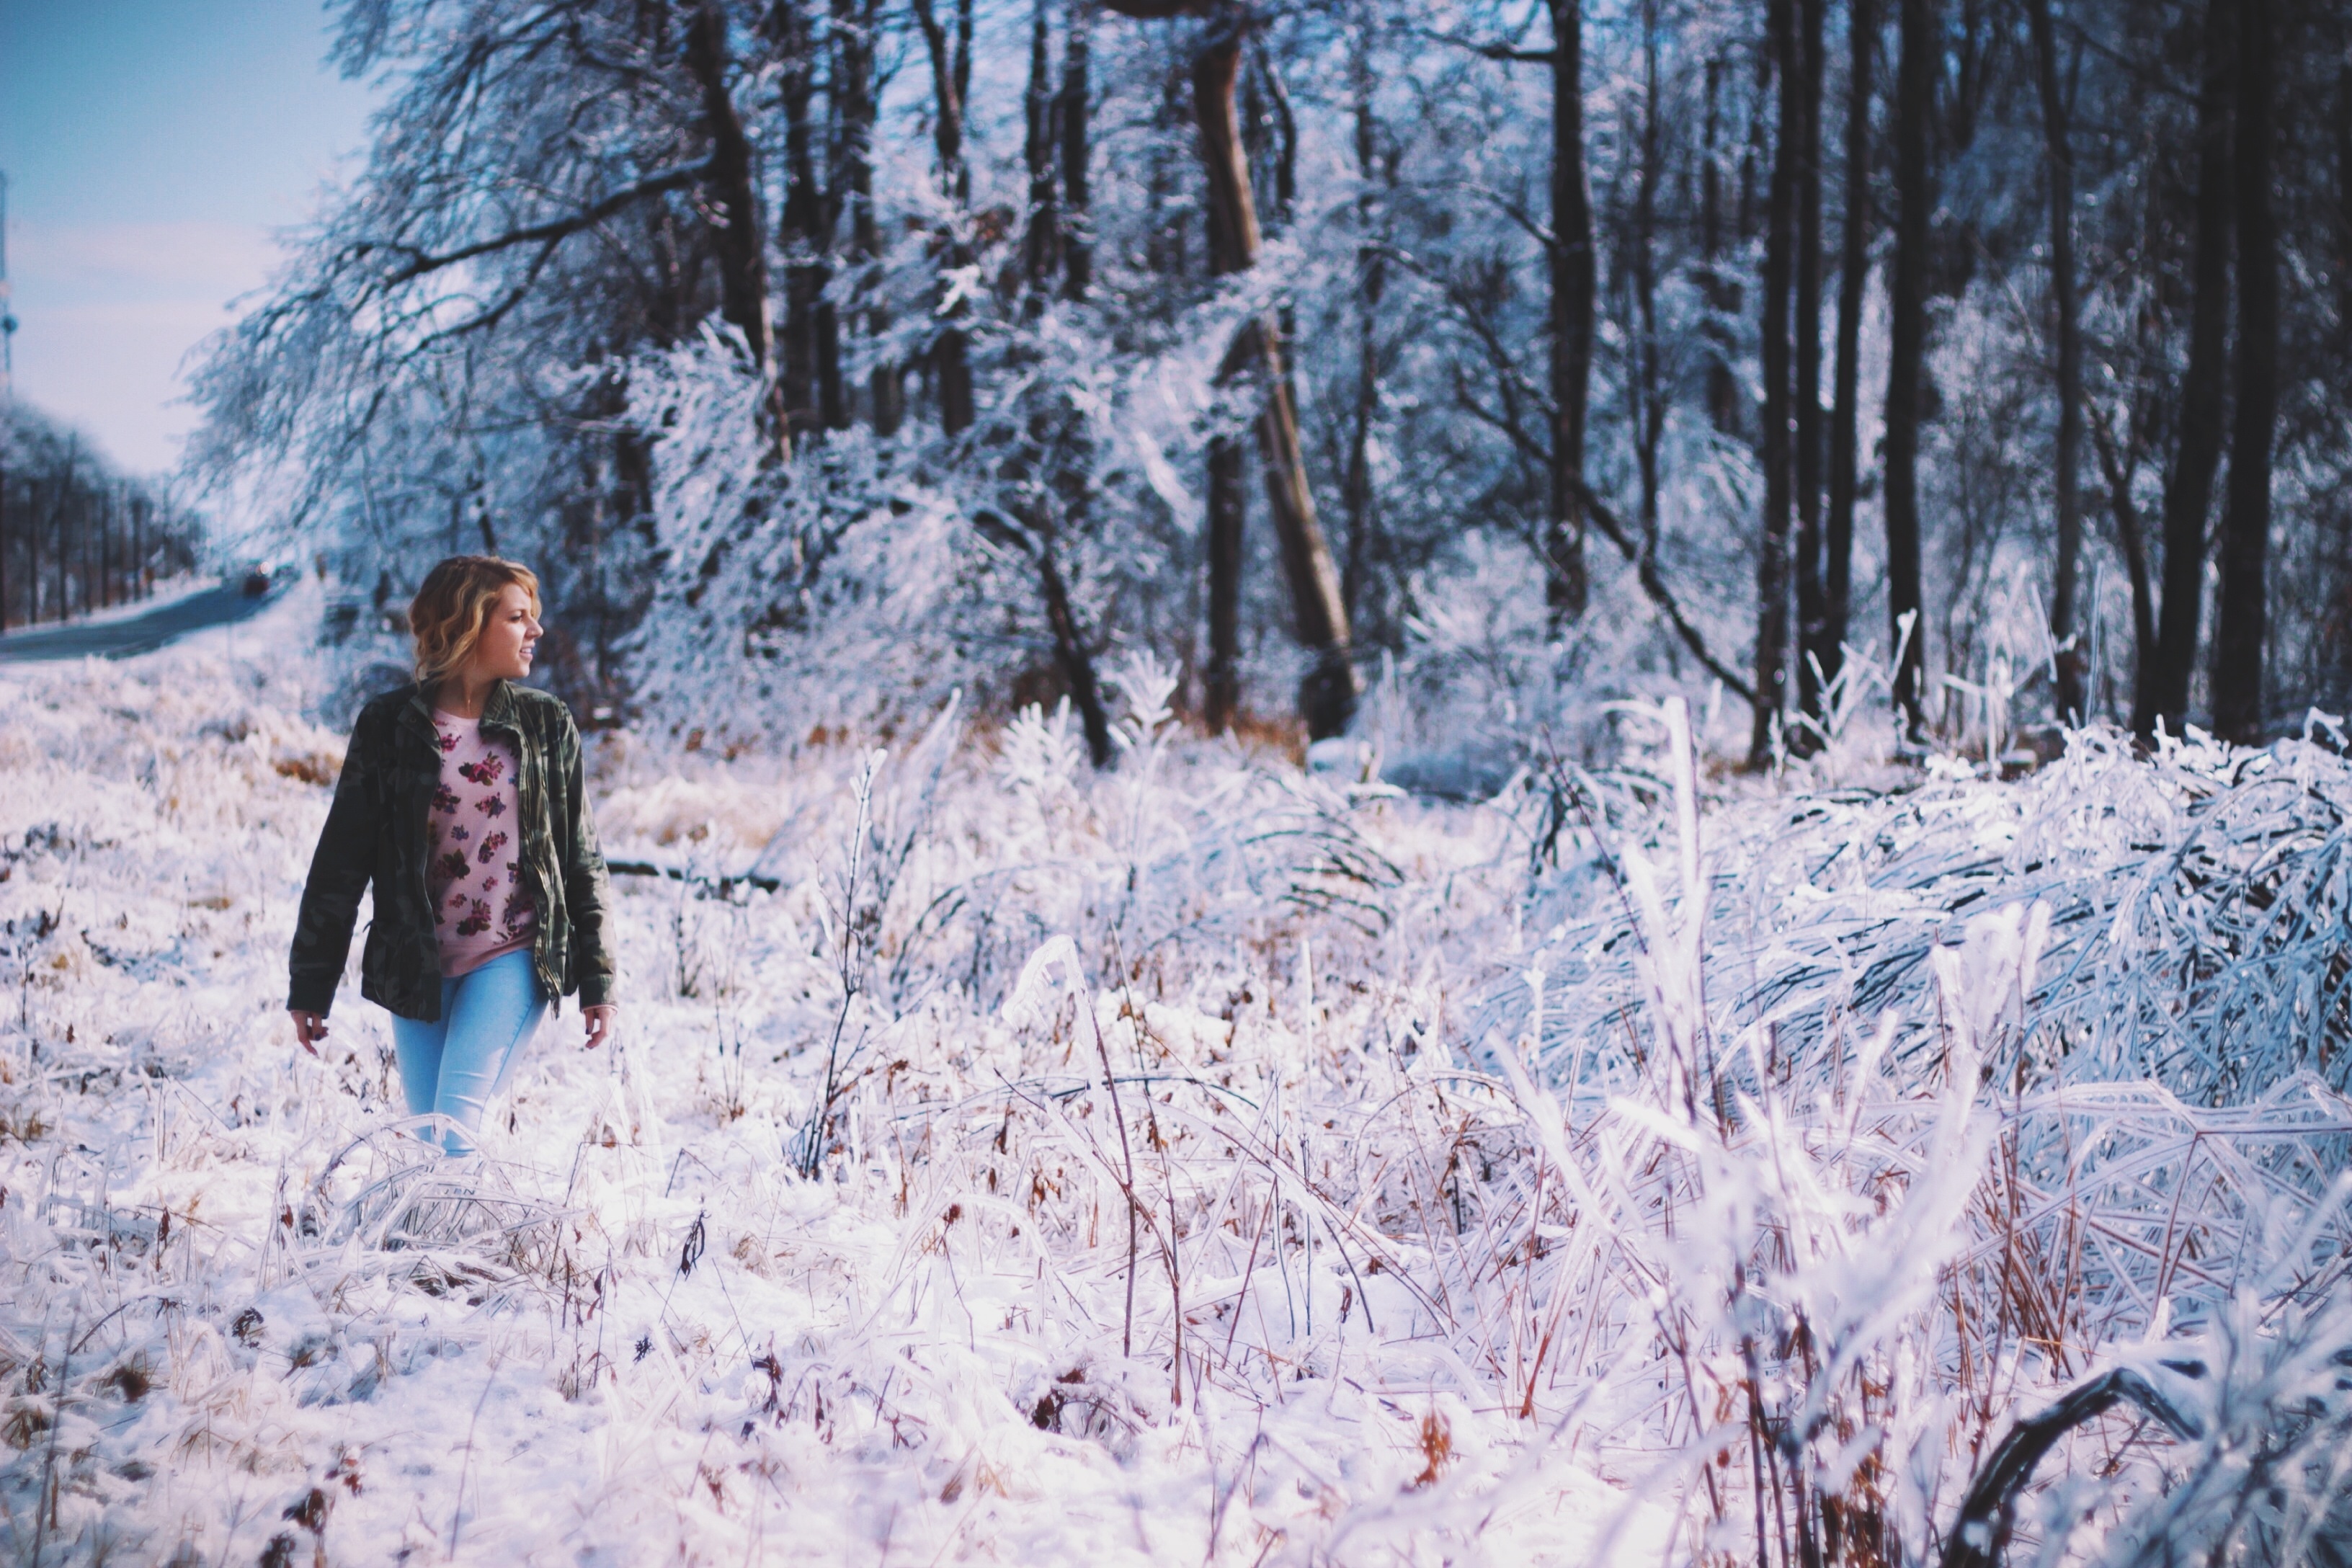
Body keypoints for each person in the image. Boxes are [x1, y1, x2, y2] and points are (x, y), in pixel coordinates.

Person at [288, 555, 618, 1153]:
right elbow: (341, 858)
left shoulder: (545, 724)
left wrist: (597, 977)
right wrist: (311, 984)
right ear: (469, 624)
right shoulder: (388, 726)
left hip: (512, 954)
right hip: (418, 965)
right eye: (518, 618)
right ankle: (440, 1245)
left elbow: (580, 858)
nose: (536, 632)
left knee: (454, 1130)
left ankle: (465, 1249)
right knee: (427, 1140)